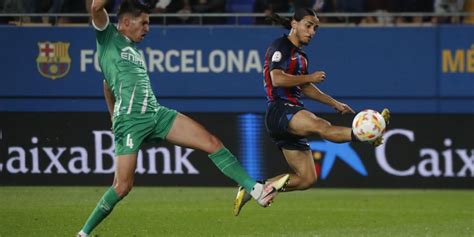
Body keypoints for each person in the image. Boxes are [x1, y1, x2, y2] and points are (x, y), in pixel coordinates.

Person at [76, 0, 290, 236]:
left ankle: (256, 190)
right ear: (126, 22)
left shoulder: (132, 50)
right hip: (130, 123)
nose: (148, 28)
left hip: (156, 114)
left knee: (212, 143)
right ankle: (84, 233)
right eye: (144, 23)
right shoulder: (107, 39)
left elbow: (107, 84)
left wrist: (110, 113)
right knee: (123, 186)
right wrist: (115, 118)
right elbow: (95, 7)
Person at [233, 8, 390, 216]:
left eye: (315, 27)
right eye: (308, 25)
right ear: (294, 24)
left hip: (288, 114)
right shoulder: (281, 46)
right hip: (280, 109)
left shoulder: (301, 57)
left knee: (307, 179)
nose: (312, 31)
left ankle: (253, 187)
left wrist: (334, 103)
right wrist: (309, 77)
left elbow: (306, 88)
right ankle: (365, 135)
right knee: (321, 126)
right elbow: (277, 79)